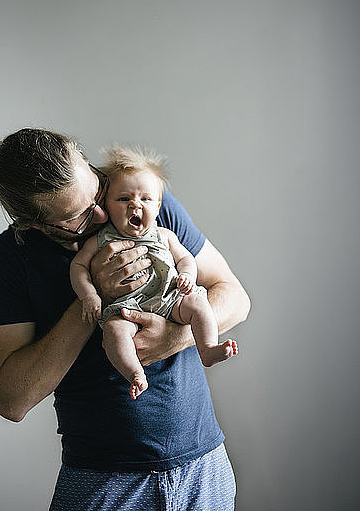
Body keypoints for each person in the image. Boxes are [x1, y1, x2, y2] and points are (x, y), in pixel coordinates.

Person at [0, 128, 250, 511]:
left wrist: (176, 337)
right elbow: (11, 399)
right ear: (35, 225)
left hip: (203, 463)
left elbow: (235, 297)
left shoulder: (139, 199)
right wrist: (93, 299)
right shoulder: (8, 259)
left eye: (98, 191)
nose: (106, 213)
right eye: (79, 217)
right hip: (101, 479)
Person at [70, 145, 238, 400]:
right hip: (127, 307)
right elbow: (78, 267)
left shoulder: (164, 234)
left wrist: (187, 277)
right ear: (106, 205)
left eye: (145, 199)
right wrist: (89, 296)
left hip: (169, 298)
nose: (135, 205)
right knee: (114, 332)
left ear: (159, 205)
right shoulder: (101, 240)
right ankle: (135, 372)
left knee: (198, 303)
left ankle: (208, 348)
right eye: (124, 199)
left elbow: (186, 259)